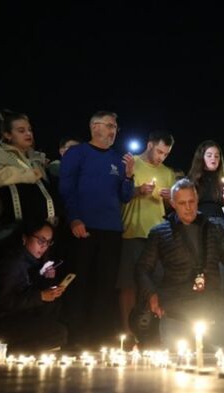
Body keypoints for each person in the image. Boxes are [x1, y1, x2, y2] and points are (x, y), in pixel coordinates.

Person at [136, 178, 224, 351]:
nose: (188, 207)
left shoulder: (214, 228)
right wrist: (152, 295)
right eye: (182, 203)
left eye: (192, 201)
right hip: (176, 303)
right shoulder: (160, 233)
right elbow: (142, 268)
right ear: (173, 203)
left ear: (197, 200)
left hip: (211, 300)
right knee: (180, 352)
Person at [59, 111, 135, 346]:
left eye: (115, 127)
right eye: (109, 125)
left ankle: (101, 338)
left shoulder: (117, 159)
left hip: (111, 230)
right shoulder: (77, 153)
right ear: (94, 127)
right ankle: (76, 337)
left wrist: (129, 176)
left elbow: (125, 196)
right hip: (84, 227)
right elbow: (66, 188)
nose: (113, 131)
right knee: (80, 282)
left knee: (105, 285)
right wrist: (74, 218)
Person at [0, 220, 68, 351]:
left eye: (48, 242)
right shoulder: (11, 262)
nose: (44, 246)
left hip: (9, 316)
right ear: (24, 238)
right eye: (41, 241)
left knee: (53, 311)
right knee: (57, 333)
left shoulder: (27, 261)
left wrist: (46, 281)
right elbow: (0, 302)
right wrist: (40, 296)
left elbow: (25, 289)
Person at [117, 130, 176, 339]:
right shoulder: (131, 163)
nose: (162, 157)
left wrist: (169, 199)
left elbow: (172, 207)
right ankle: (127, 333)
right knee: (128, 284)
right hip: (132, 231)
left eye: (166, 154)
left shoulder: (167, 173)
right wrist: (138, 191)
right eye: (159, 151)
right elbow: (119, 193)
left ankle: (154, 333)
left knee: (157, 283)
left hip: (158, 236)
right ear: (149, 145)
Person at [0, 110, 55, 238]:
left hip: (37, 229)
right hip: (6, 227)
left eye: (30, 130)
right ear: (7, 135)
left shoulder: (35, 159)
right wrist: (29, 175)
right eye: (21, 131)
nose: (28, 133)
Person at [187, 140, 224, 300]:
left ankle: (218, 305)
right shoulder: (192, 180)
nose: (214, 158)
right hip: (198, 228)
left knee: (219, 271)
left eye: (217, 156)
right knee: (197, 269)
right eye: (209, 155)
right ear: (201, 157)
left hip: (221, 229)